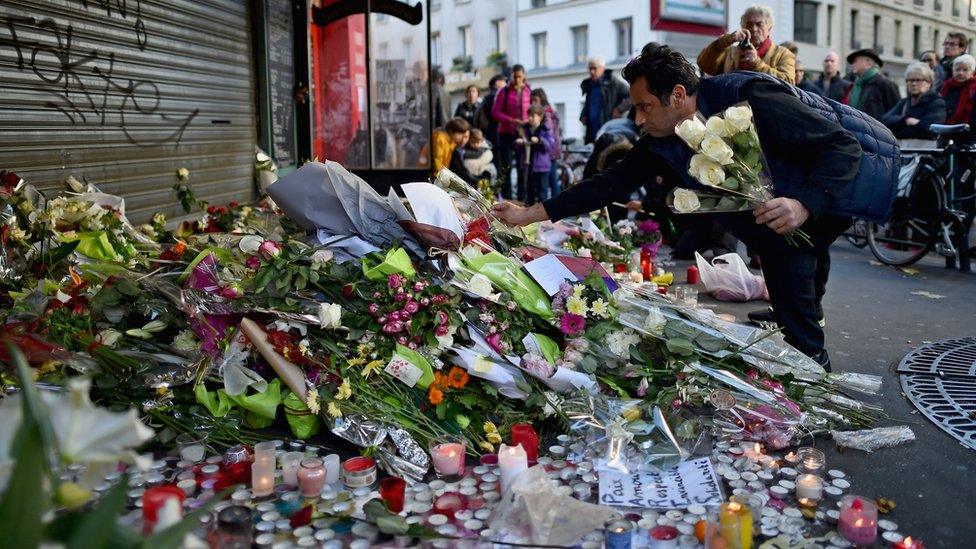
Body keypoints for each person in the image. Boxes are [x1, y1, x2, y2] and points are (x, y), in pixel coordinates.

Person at [492, 44, 899, 371]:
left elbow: (842, 147)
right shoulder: (662, 136)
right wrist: (529, 214)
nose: (636, 119)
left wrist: (804, 203)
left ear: (679, 95)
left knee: (790, 262)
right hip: (781, 212)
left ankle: (812, 366)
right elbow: (608, 184)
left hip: (836, 188)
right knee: (788, 260)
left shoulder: (752, 97)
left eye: (644, 106)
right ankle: (804, 341)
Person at [696, 5, 795, 84]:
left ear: (769, 29)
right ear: (743, 27)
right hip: (731, 107)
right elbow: (704, 64)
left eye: (759, 24)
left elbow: (789, 82)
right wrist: (726, 40)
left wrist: (757, 64)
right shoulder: (730, 52)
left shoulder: (783, 54)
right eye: (749, 24)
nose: (754, 29)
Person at [492, 64, 532, 201]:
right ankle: (507, 198)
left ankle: (522, 199)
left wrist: (528, 121)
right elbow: (495, 112)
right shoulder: (504, 91)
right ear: (511, 76)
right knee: (506, 167)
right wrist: (511, 120)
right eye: (514, 77)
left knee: (523, 167)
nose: (517, 80)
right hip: (506, 133)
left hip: (522, 133)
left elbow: (532, 109)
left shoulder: (528, 91)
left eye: (519, 77)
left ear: (524, 76)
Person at [882, 63, 946, 143]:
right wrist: (905, 120)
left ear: (929, 83)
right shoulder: (904, 102)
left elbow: (929, 129)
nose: (914, 84)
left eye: (918, 80)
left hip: (926, 151)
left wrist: (899, 128)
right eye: (910, 80)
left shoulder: (937, 102)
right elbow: (885, 121)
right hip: (904, 149)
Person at [580, 56, 632, 144]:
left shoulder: (613, 82)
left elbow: (631, 95)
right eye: (590, 69)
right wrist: (583, 115)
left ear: (602, 68)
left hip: (608, 130)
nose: (592, 72)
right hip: (592, 131)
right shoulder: (589, 84)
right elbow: (588, 103)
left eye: (594, 68)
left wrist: (619, 109)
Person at [843, 49, 900, 121]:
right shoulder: (855, 84)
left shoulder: (885, 84)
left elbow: (896, 113)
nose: (853, 64)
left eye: (856, 60)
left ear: (868, 62)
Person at [514, 105, 555, 206]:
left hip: (542, 167)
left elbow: (549, 146)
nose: (530, 118)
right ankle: (529, 213)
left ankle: (543, 215)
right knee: (529, 191)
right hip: (528, 165)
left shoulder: (545, 129)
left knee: (542, 192)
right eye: (529, 116)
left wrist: (540, 140)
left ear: (540, 116)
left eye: (533, 116)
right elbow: (518, 148)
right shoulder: (525, 129)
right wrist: (520, 143)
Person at [530, 88, 563, 201]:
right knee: (551, 179)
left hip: (550, 150)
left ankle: (558, 203)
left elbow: (549, 132)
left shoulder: (546, 113)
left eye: (535, 99)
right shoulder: (548, 111)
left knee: (552, 179)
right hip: (551, 149)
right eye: (531, 100)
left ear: (541, 98)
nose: (533, 102)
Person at [940, 54, 976, 126]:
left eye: (965, 70)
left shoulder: (973, 89)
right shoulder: (946, 86)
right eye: (957, 69)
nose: (960, 73)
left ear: (973, 72)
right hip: (944, 127)